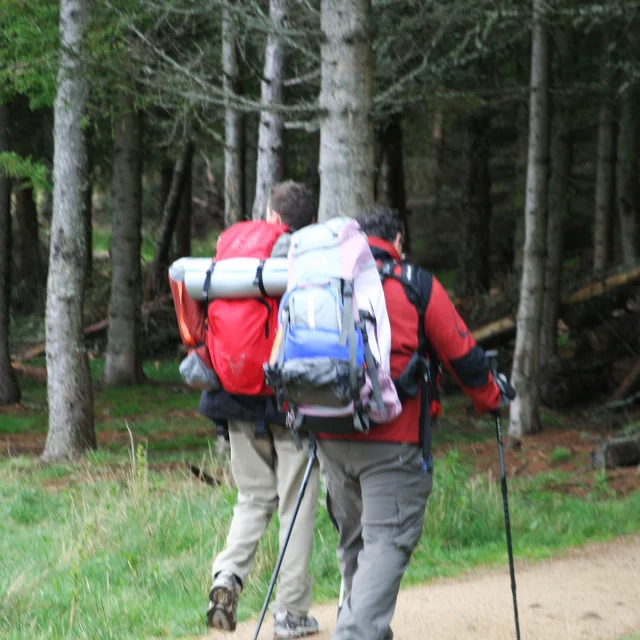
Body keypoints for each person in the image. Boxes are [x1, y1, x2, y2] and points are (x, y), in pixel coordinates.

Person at [316, 206, 512, 640]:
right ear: (398, 241)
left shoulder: (324, 280)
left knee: (354, 541)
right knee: (386, 542)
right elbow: (460, 352)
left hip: (328, 433)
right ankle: (354, 634)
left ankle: (363, 629)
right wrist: (492, 397)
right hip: (394, 439)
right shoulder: (415, 284)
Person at [201, 181, 321, 639]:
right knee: (296, 505)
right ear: (306, 220)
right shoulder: (305, 254)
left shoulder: (233, 253)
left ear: (271, 215)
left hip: (234, 395)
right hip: (290, 400)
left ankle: (226, 578)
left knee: (252, 498)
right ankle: (290, 614)